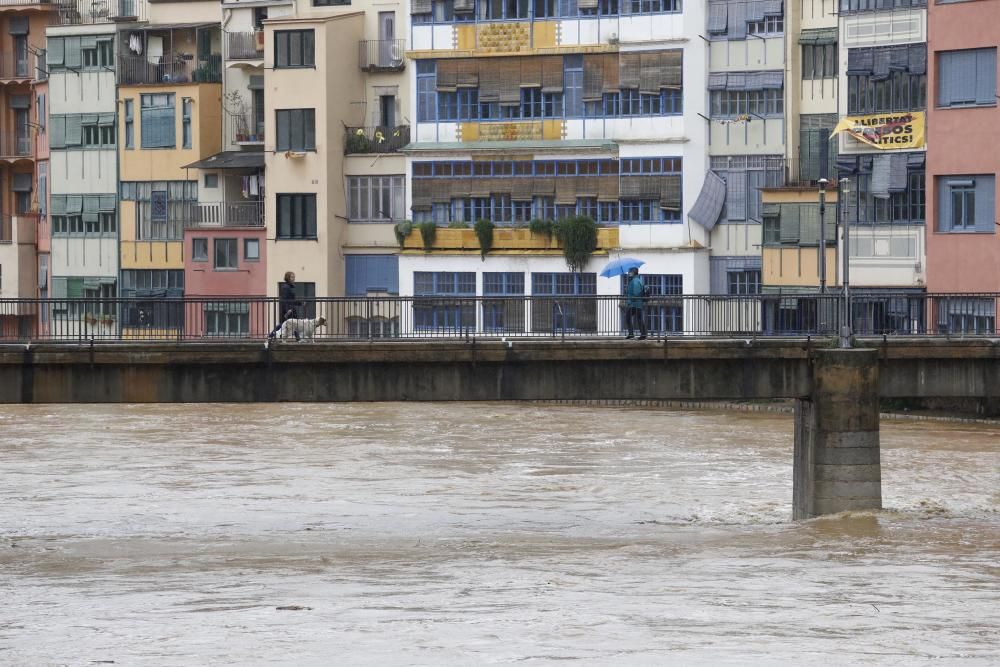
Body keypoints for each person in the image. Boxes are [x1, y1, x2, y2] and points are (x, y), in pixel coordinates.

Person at [268, 271, 301, 340]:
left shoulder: (289, 287)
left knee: (292, 323)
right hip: (288, 309)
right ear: (288, 278)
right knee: (284, 324)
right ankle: (271, 335)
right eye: (292, 277)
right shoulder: (286, 287)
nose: (293, 278)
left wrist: (300, 303)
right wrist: (287, 310)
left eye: (294, 277)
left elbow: (292, 299)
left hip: (290, 308)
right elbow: (285, 300)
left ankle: (298, 338)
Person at [624, 266, 647, 340]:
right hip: (636, 304)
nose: (628, 273)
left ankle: (635, 334)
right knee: (638, 318)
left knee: (629, 317)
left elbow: (636, 293)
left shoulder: (635, 281)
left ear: (633, 273)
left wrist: (630, 299)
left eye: (630, 272)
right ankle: (642, 334)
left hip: (634, 304)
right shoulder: (635, 280)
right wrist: (627, 290)